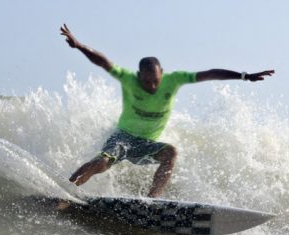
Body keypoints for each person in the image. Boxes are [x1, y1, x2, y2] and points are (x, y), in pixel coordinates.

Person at [60, 24, 274, 198]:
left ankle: (151, 201)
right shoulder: (128, 79)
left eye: (155, 81)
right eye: (146, 81)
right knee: (102, 162)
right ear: (138, 75)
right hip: (122, 138)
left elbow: (210, 73)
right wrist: (78, 45)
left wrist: (244, 76)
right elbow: (104, 62)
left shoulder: (173, 81)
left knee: (170, 152)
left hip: (146, 145)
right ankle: (68, 188)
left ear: (162, 73)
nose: (151, 86)